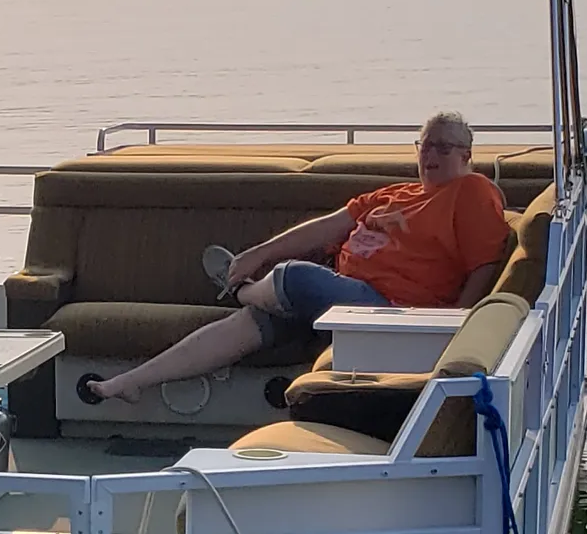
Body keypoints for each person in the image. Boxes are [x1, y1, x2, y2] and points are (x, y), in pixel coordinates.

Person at [77, 111, 510, 409]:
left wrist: (458, 319)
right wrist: (256, 252)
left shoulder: (472, 192)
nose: (430, 154)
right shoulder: (394, 194)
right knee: (246, 326)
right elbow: (326, 227)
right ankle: (131, 383)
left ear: (466, 156)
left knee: (294, 277)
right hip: (340, 298)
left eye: (443, 147)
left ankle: (243, 288)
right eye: (425, 144)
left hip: (389, 309)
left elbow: (484, 265)